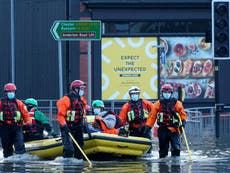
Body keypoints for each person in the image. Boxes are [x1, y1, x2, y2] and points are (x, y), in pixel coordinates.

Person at [143, 84, 188, 158]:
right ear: (162, 93)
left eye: (168, 92)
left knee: (176, 148)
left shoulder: (177, 104)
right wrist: (148, 126)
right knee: (163, 152)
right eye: (165, 92)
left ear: (171, 93)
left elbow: (183, 114)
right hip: (162, 130)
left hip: (174, 130)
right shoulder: (157, 104)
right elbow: (152, 116)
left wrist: (183, 122)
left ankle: (176, 166)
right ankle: (163, 167)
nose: (166, 94)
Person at [56, 80, 88, 159]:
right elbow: (60, 115)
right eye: (81, 88)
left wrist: (84, 121)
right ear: (75, 89)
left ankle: (79, 165)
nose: (83, 90)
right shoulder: (65, 100)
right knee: (69, 149)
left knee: (80, 148)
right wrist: (64, 126)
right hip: (67, 126)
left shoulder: (81, 99)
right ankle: (67, 165)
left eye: (83, 89)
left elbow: (83, 111)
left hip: (78, 126)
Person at [0, 83, 31, 158]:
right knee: (6, 148)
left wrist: (28, 123)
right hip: (4, 127)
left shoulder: (19, 103)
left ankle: (20, 162)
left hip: (16, 127)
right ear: (5, 92)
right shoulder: (1, 103)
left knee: (19, 145)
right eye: (9, 91)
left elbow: (25, 114)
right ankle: (7, 164)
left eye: (12, 91)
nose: (11, 93)